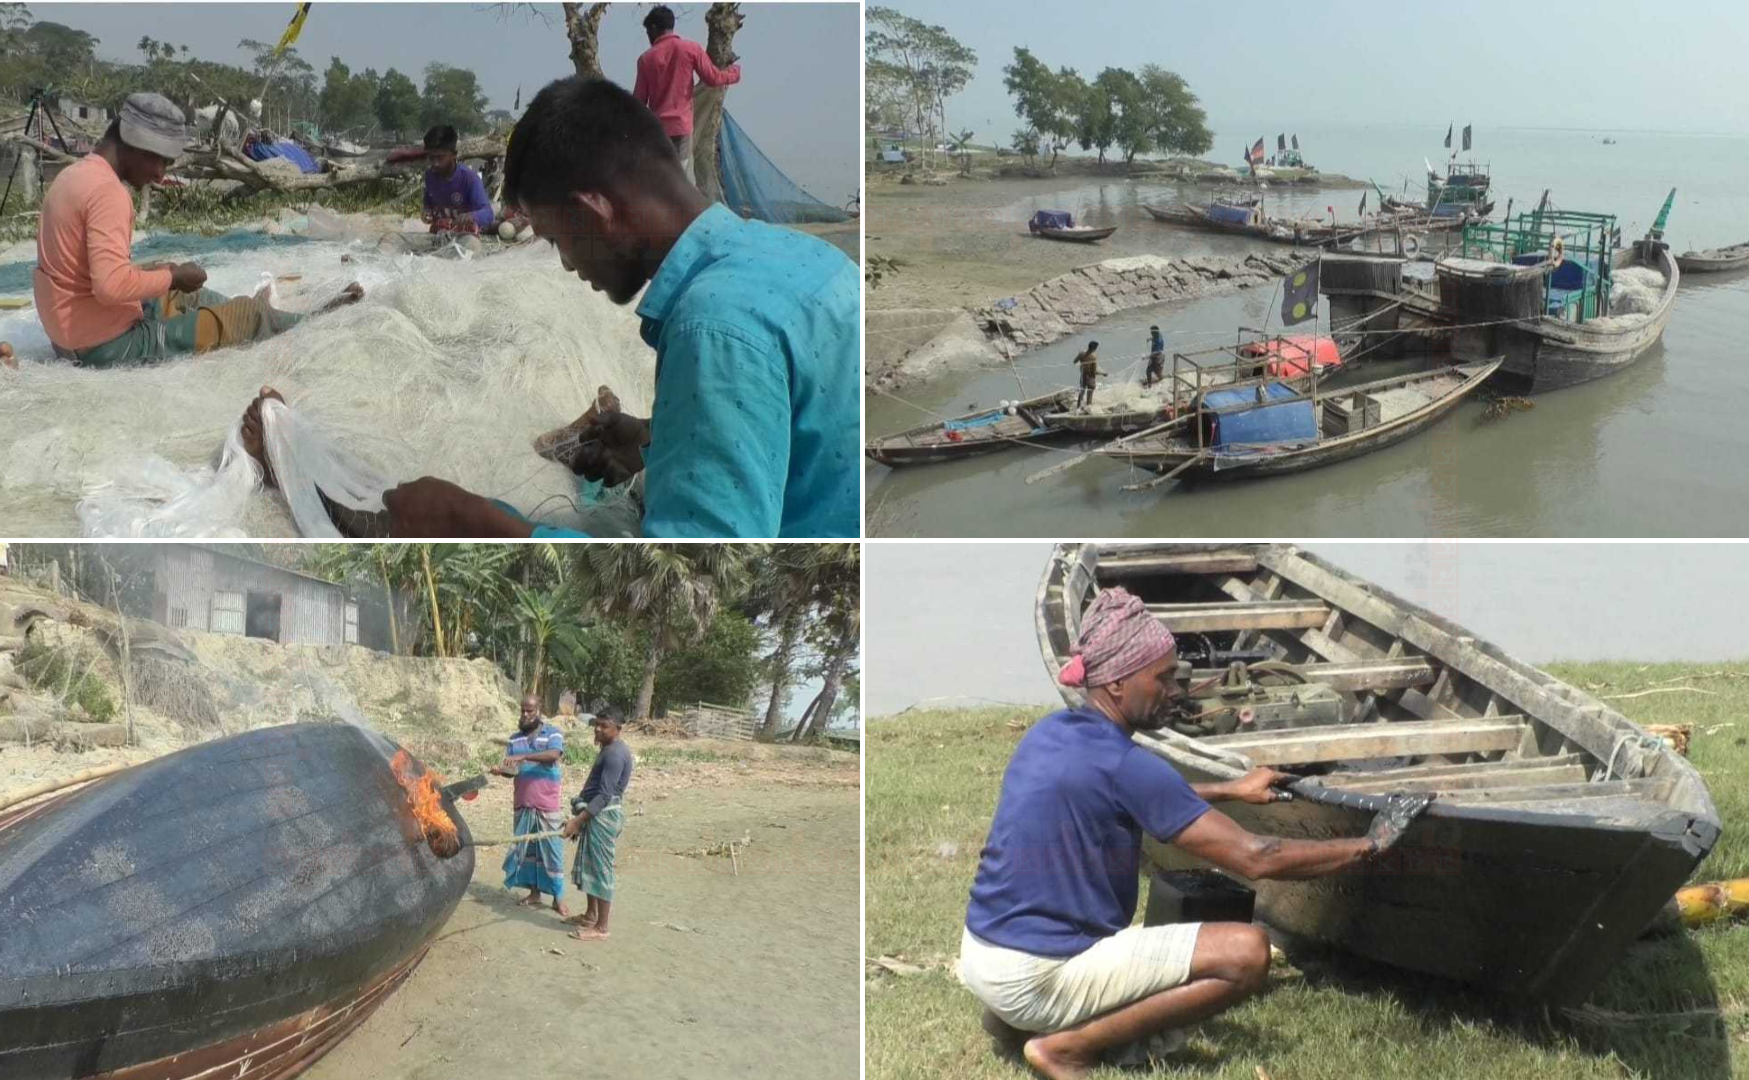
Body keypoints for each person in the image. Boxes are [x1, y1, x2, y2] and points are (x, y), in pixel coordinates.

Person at [958, 587, 1431, 1079]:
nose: (1176, 690)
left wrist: (1231, 788)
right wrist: (1369, 843)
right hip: (1038, 973)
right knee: (1245, 953)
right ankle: (1067, 1048)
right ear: (1117, 684)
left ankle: (1014, 1022)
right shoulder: (1128, 764)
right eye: (1162, 678)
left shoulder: (1051, 734)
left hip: (985, 959)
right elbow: (1257, 856)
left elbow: (1134, 796)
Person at [372, 76, 860, 538]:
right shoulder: (814, 258)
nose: (565, 264)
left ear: (592, 210)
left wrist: (472, 522)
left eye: (557, 239)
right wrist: (658, 440)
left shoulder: (712, 326)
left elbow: (687, 579)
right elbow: (802, 435)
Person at [34, 93, 363, 367]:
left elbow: (84, 272)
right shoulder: (109, 193)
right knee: (241, 316)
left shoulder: (73, 175)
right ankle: (305, 323)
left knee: (181, 290)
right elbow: (109, 287)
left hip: (67, 337)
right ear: (135, 146)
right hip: (104, 347)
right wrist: (173, 276)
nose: (161, 175)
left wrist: (167, 277)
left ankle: (267, 315)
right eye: (160, 161)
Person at [633, 4, 741, 182]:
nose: (648, 38)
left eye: (648, 33)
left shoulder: (646, 59)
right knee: (681, 180)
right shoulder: (690, 49)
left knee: (661, 179)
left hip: (657, 131)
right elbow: (713, 78)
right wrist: (734, 73)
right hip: (682, 129)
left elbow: (639, 101)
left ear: (653, 29)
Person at [562, 712, 634, 942]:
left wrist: (577, 820)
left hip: (603, 817)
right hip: (596, 815)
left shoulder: (614, 754)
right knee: (590, 865)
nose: (598, 730)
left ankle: (602, 927)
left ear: (618, 728)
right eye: (596, 725)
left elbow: (604, 795)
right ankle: (591, 915)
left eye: (604, 726)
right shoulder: (609, 748)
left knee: (601, 869)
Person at [501, 694, 569, 915]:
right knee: (527, 849)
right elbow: (511, 771)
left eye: (529, 710)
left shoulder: (553, 733)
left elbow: (553, 754)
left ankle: (558, 898)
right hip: (523, 802)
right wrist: (502, 770)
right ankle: (534, 893)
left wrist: (524, 757)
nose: (525, 714)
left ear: (539, 711)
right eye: (522, 710)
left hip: (546, 803)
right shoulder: (514, 739)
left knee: (552, 849)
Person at [421, 125, 495, 235]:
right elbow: (428, 203)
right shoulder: (430, 176)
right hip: (441, 232)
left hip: (467, 234)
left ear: (454, 155)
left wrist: (472, 216)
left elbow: (488, 214)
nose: (435, 163)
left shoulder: (470, 179)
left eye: (440, 157)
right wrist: (427, 211)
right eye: (431, 158)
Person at [1072, 340, 1102, 409]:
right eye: (1096, 348)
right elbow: (1093, 372)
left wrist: (1082, 364)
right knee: (1090, 392)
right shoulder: (1093, 357)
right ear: (1094, 348)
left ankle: (1078, 407)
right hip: (1090, 377)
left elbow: (1074, 362)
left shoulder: (1081, 353)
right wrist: (1102, 374)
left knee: (1082, 391)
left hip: (1083, 376)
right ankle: (1088, 407)